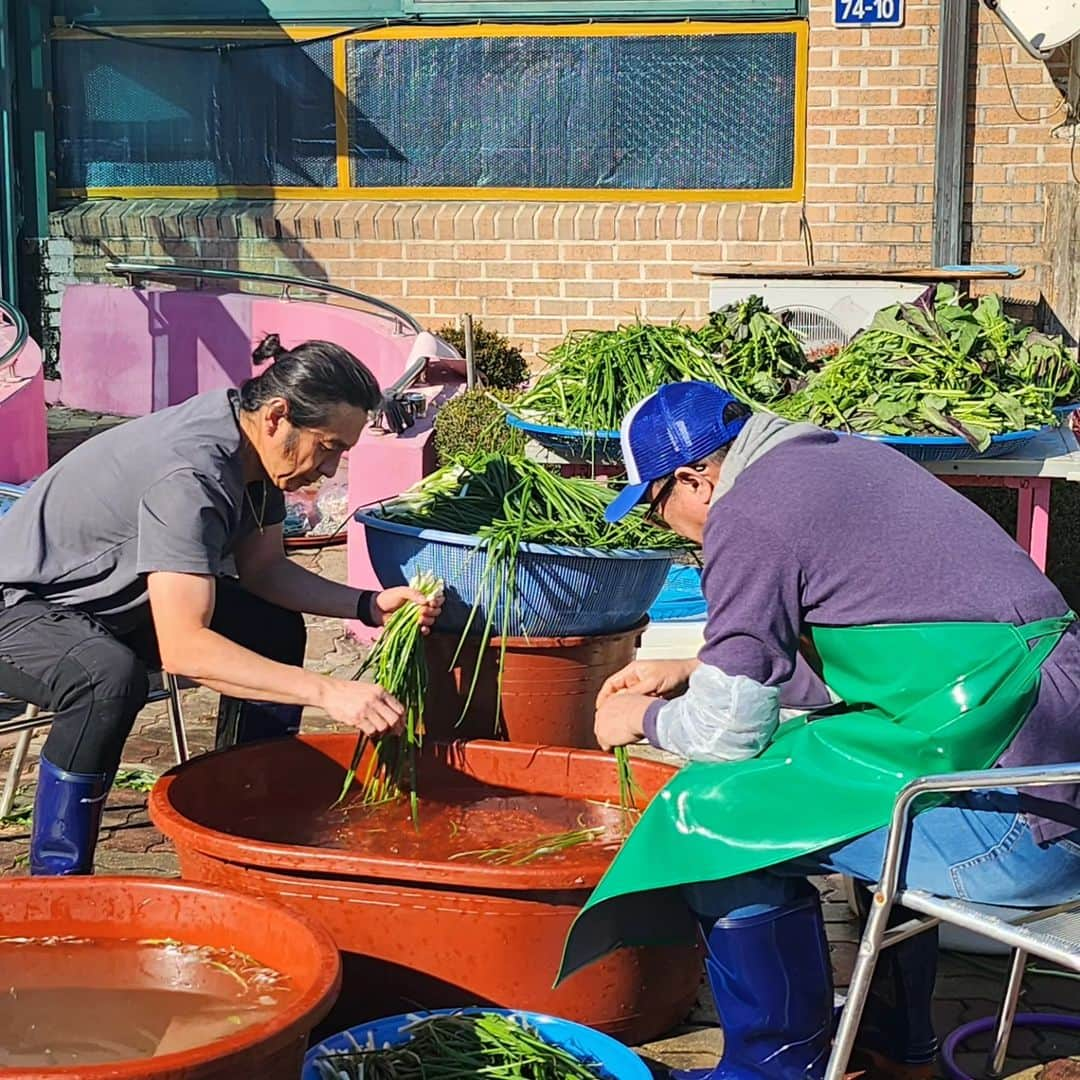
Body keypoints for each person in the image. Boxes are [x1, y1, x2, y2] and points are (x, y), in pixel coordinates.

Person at [587, 381, 1080, 1080]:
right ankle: (896, 1051)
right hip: (1050, 785)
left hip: (1017, 835)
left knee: (711, 812)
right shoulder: (844, 460)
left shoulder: (748, 513)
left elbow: (731, 734)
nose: (666, 525)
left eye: (657, 505)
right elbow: (890, 653)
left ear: (695, 479)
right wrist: (697, 668)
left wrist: (639, 718)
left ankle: (772, 1070)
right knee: (838, 775)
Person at [0, 336, 441, 877]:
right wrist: (330, 692)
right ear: (279, 415)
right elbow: (185, 648)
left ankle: (245, 819)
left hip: (105, 605)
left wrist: (370, 605)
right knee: (104, 680)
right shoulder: (192, 473)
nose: (329, 470)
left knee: (272, 628)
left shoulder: (254, 446)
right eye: (328, 447)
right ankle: (58, 883)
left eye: (341, 454)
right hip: (19, 605)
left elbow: (265, 572)